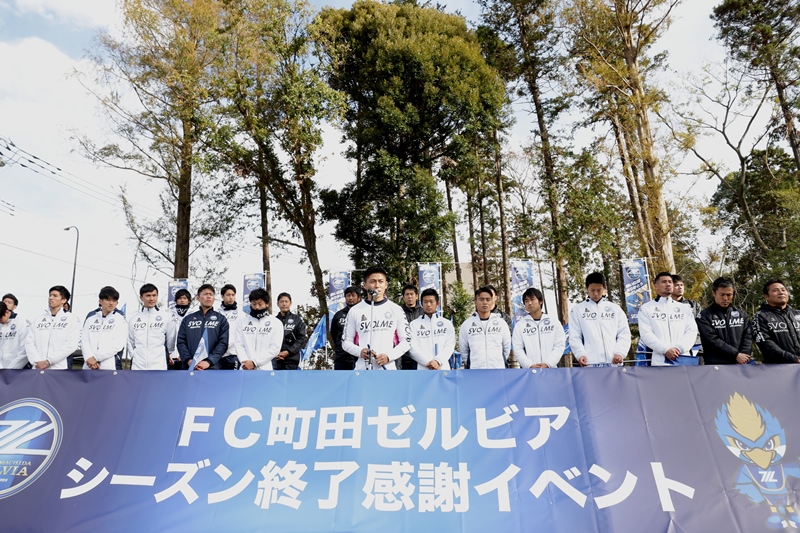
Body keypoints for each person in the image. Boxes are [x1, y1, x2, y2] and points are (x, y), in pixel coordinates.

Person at [343, 266, 410, 371]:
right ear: (365, 285)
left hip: (388, 369)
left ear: (386, 284)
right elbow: (346, 342)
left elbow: (406, 341)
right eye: (372, 281)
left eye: (381, 281)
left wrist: (389, 356)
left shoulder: (396, 309)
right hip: (362, 370)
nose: (377, 285)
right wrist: (360, 351)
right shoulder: (355, 310)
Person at [569, 272, 631, 367]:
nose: (596, 293)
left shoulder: (615, 309)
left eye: (599, 290)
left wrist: (620, 352)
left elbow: (624, 333)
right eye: (592, 290)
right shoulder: (577, 310)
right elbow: (574, 336)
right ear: (586, 288)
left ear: (604, 288)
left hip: (613, 362)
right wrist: (580, 354)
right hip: (590, 363)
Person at [638, 272, 699, 366]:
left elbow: (692, 331)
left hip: (683, 358)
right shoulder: (646, 308)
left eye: (670, 282)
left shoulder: (684, 308)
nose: (668, 284)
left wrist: (679, 348)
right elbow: (646, 334)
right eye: (664, 282)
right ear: (656, 286)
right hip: (660, 361)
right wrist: (665, 350)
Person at [697, 277, 753, 365]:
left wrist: (743, 357)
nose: (725, 298)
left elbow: (748, 337)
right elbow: (711, 340)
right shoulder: (704, 316)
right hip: (716, 364)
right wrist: (735, 354)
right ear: (714, 293)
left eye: (729, 295)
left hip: (740, 363)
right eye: (722, 294)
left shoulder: (742, 314)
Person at [25, 285, 81, 370]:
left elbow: (71, 345)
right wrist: (36, 362)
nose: (51, 298)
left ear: (64, 300)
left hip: (59, 368)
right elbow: (29, 342)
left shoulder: (72, 319)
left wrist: (49, 361)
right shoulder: (38, 320)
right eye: (50, 295)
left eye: (55, 296)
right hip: (37, 368)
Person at [177, 284, 229, 370]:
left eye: (211, 294)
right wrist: (189, 360)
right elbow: (181, 342)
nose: (208, 297)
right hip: (189, 367)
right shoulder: (187, 319)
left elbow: (223, 343)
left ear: (214, 298)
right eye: (205, 294)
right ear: (198, 298)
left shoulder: (221, 319)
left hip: (212, 367)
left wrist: (209, 361)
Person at [459, 286, 511, 369]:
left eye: (488, 299)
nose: (485, 302)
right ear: (475, 302)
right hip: (475, 370)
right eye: (481, 299)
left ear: (492, 301)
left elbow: (506, 348)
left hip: (498, 369)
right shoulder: (467, 324)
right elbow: (464, 350)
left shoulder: (501, 323)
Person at [513, 287, 566, 368]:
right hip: (530, 370)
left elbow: (559, 345)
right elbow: (518, 349)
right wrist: (529, 365)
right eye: (526, 301)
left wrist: (548, 364)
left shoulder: (554, 322)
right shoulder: (520, 325)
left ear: (540, 301)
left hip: (551, 369)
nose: (529, 303)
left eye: (532, 299)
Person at [129, 283, 177, 371]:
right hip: (138, 366)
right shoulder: (133, 319)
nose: (151, 299)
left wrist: (167, 354)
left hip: (159, 366)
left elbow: (171, 342)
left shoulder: (166, 317)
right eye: (148, 296)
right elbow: (131, 342)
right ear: (141, 297)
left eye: (154, 295)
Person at [233, 288, 283, 370]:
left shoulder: (276, 323)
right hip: (245, 367)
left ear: (267, 304)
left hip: (266, 368)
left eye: (260, 304)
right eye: (254, 304)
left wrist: (254, 362)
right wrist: (245, 362)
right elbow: (238, 344)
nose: (257, 307)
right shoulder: (242, 322)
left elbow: (275, 348)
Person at [753, 279, 800, 363]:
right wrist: (794, 358)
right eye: (775, 290)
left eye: (783, 290)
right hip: (777, 367)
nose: (781, 292)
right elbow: (765, 342)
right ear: (766, 296)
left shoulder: (797, 313)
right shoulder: (760, 316)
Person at [82, 286, 128, 371]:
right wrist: (89, 358)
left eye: (114, 300)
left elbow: (118, 345)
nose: (111, 303)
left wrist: (96, 358)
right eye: (108, 300)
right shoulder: (90, 319)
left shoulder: (120, 319)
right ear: (100, 301)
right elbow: (84, 340)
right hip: (89, 364)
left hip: (109, 366)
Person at [408, 288, 455, 370]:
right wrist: (428, 363)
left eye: (431, 301)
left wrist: (438, 361)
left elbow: (449, 346)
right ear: (421, 304)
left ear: (437, 304)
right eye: (425, 302)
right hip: (423, 369)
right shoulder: (414, 325)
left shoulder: (447, 324)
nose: (428, 305)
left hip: (442, 368)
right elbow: (412, 348)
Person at [274, 292, 308, 370]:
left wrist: (288, 352)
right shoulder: (273, 321)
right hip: (276, 361)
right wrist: (275, 354)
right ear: (278, 304)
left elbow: (301, 339)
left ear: (290, 303)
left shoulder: (297, 320)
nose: (284, 304)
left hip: (292, 361)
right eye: (281, 301)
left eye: (286, 301)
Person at [330, 286, 361, 370]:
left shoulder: (364, 313)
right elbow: (334, 334)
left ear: (358, 298)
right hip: (342, 357)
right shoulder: (338, 315)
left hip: (360, 357)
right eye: (348, 295)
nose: (350, 298)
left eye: (353, 295)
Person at [399, 284, 423, 370]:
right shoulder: (398, 312)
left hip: (420, 355)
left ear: (416, 296)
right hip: (402, 355)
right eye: (407, 294)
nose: (409, 296)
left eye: (412, 294)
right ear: (403, 297)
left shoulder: (423, 312)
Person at [167, 288, 192, 370]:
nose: (182, 300)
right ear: (176, 300)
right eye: (180, 298)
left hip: (188, 357)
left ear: (189, 300)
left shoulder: (194, 315)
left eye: (185, 298)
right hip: (172, 357)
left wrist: (184, 355)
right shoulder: (168, 314)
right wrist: (168, 354)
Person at [0, 301, 29, 369]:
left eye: (0, 318)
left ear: (6, 312)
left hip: (19, 369)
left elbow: (24, 350)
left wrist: (11, 369)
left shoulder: (21, 322)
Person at [218, 284, 241, 369]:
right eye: (228, 295)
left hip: (234, 353)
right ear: (222, 296)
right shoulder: (216, 313)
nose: (231, 297)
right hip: (218, 354)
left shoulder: (241, 314)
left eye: (233, 295)